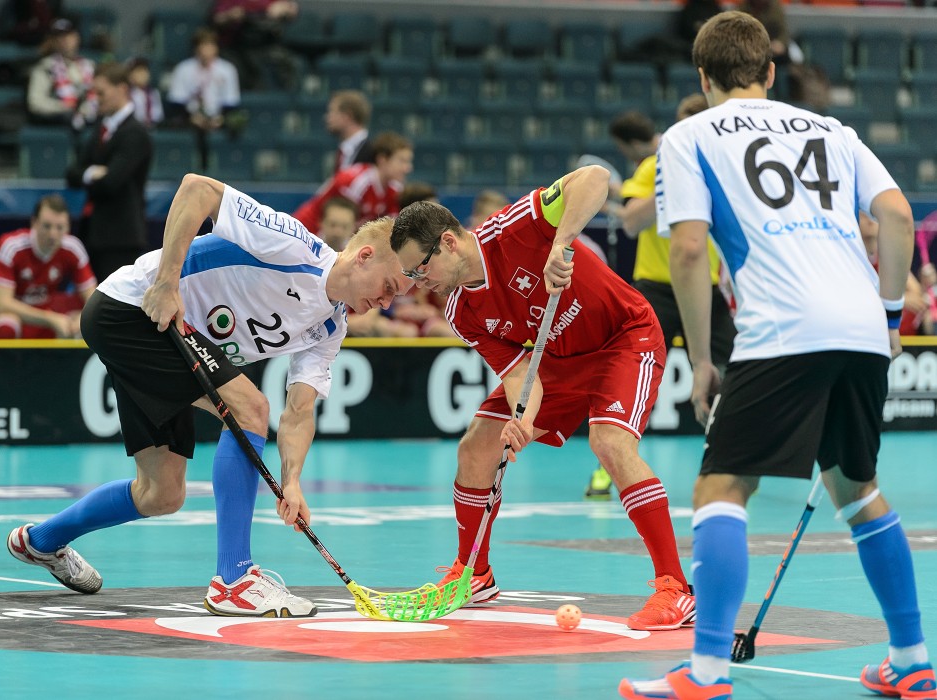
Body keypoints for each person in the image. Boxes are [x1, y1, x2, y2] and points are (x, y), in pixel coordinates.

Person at [619, 12, 934, 699]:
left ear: (702, 79)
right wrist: (886, 317)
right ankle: (913, 660)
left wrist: (702, 359)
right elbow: (899, 217)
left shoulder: (689, 135)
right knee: (859, 490)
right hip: (858, 326)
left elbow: (691, 248)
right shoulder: (834, 131)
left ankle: (704, 672)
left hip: (782, 328)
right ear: (769, 72)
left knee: (721, 487)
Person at [7, 174, 410, 616]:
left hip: (178, 340)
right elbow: (196, 189)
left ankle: (40, 541)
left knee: (160, 494)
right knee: (251, 409)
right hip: (134, 310)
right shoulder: (294, 246)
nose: (388, 302)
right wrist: (166, 283)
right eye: (388, 287)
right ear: (364, 258)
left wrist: (291, 481)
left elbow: (300, 409)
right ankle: (234, 579)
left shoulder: (331, 326)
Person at [389, 168, 696, 632]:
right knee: (477, 446)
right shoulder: (461, 309)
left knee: (609, 443)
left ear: (449, 242)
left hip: (623, 338)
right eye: (410, 274)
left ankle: (675, 587)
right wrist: (523, 420)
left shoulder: (514, 226)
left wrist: (560, 243)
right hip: (554, 360)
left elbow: (594, 177)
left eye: (421, 267)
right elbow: (518, 374)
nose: (417, 282)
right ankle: (473, 575)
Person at [607, 108, 736, 363]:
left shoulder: (724, 167)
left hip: (705, 285)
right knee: (634, 371)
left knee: (732, 370)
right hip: (656, 288)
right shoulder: (653, 166)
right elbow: (631, 223)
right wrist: (676, 181)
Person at [66, 61, 152, 282]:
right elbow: (72, 173)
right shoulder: (100, 128)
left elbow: (111, 182)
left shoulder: (136, 133)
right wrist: (93, 172)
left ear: (122, 89)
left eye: (101, 92)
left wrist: (90, 173)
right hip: (93, 232)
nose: (96, 98)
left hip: (121, 237)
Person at [0, 194, 96, 339]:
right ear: (34, 223)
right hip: (10, 316)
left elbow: (93, 299)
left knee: (86, 323)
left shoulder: (73, 248)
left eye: (60, 227)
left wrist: (80, 319)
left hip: (47, 314)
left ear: (68, 227)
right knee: (6, 326)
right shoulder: (11, 247)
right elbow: (2, 304)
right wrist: (50, 319)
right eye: (47, 226)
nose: (53, 234)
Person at [293, 131, 413, 234]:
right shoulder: (356, 182)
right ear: (382, 159)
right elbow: (338, 229)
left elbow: (392, 229)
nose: (408, 168)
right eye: (402, 161)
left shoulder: (395, 189)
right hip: (308, 229)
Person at [165, 29, 241, 139]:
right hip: (190, 120)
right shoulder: (183, 69)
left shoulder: (227, 69)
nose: (207, 50)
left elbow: (231, 102)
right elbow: (177, 101)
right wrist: (191, 118)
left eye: (211, 45)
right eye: (204, 45)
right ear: (196, 48)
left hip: (219, 119)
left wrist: (220, 119)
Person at [211, 0, 300, 91]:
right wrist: (230, 15)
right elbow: (217, 19)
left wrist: (286, 7)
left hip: (267, 43)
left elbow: (292, 9)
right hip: (237, 46)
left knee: (291, 63)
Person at [26, 18, 96, 130]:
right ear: (52, 41)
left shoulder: (89, 65)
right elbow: (35, 102)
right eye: (58, 37)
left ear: (77, 37)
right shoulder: (45, 67)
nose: (64, 40)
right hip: (63, 122)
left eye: (68, 35)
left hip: (92, 118)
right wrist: (64, 107)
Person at [325, 90, 373, 174]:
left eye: (332, 111)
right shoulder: (343, 152)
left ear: (347, 116)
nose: (327, 117)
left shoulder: (371, 152)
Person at [128, 58, 164, 128]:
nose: (144, 74)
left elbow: (159, 115)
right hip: (133, 128)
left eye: (146, 70)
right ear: (130, 75)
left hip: (152, 128)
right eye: (139, 71)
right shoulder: (128, 94)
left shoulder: (153, 93)